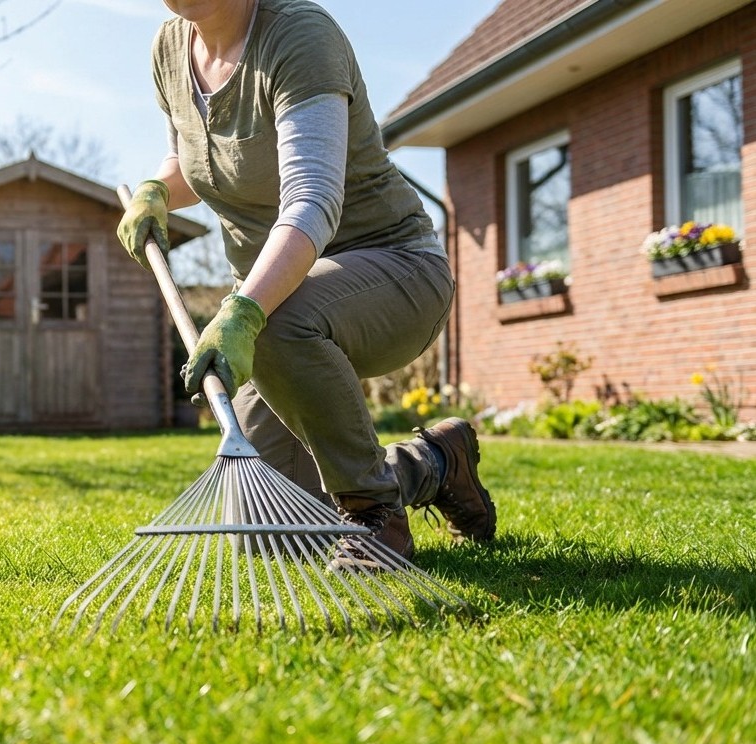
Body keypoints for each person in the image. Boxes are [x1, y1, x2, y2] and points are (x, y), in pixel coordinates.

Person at [116, 0, 495, 567]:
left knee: (275, 322)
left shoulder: (298, 36)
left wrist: (245, 312)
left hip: (392, 269)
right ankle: (434, 464)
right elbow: (190, 160)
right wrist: (158, 189)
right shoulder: (169, 48)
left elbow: (312, 199)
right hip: (278, 301)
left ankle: (376, 516)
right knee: (269, 528)